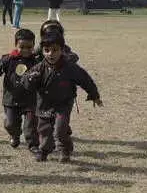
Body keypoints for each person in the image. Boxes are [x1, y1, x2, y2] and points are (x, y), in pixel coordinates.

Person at [21, 30, 102, 162]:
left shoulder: (70, 68)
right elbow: (25, 83)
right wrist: (30, 79)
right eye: (47, 50)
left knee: (60, 128)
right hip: (44, 104)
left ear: (62, 50)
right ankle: (45, 150)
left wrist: (94, 95)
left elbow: (85, 80)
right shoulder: (39, 68)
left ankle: (65, 149)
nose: (50, 54)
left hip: (63, 104)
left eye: (55, 50)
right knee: (44, 129)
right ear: (42, 51)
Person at [0, 28, 40, 154]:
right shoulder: (8, 59)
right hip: (11, 99)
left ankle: (33, 145)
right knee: (10, 124)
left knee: (30, 125)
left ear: (33, 46)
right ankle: (14, 135)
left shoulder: (37, 61)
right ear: (16, 45)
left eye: (29, 47)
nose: (25, 50)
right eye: (22, 46)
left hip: (30, 100)